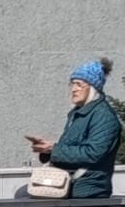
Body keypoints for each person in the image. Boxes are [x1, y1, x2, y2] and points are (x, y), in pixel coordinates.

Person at [24, 58, 120, 199]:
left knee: (22, 200)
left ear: (93, 88)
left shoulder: (104, 117)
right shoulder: (78, 114)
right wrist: (46, 150)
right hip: (69, 182)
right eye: (72, 84)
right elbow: (70, 149)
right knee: (23, 195)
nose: (73, 89)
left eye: (79, 84)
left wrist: (53, 149)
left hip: (87, 189)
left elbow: (92, 153)